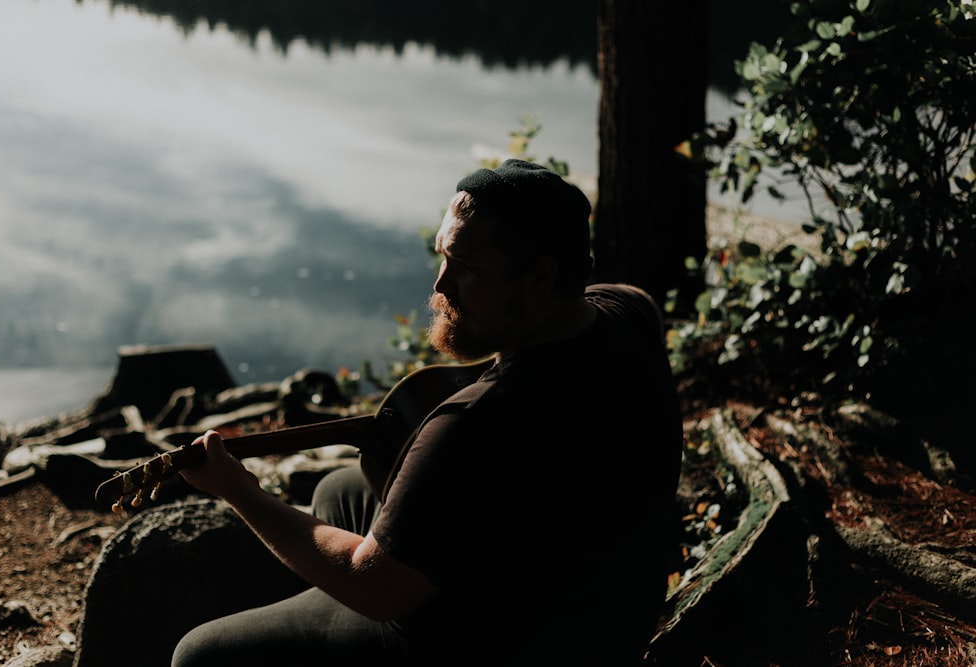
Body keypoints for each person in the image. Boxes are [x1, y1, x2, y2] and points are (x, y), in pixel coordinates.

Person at [171, 159, 683, 666]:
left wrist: (238, 490)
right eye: (443, 256)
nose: (441, 286)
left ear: (541, 275)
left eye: (467, 268)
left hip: (502, 644)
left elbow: (372, 586)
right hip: (609, 607)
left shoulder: (477, 421)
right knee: (336, 491)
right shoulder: (629, 312)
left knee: (199, 654)